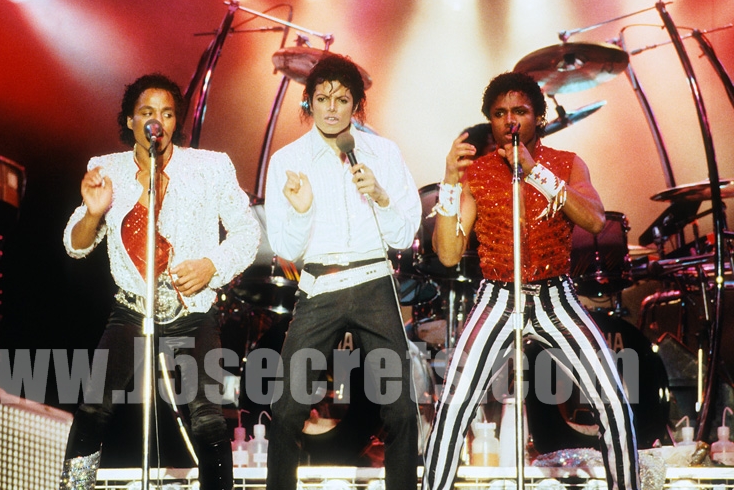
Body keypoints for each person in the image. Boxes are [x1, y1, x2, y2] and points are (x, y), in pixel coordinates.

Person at [422, 72, 639, 490]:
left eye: (519, 111)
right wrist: (449, 181)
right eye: (499, 113)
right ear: (490, 120)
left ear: (538, 117)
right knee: (452, 405)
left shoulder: (567, 163)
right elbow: (448, 253)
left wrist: (535, 171)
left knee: (612, 401)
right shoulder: (477, 174)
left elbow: (595, 219)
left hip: (556, 296)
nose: (510, 120)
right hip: (497, 297)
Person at [60, 73, 260, 490]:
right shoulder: (106, 169)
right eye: (147, 112)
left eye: (167, 114)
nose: (158, 122)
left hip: (192, 308)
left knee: (207, 417)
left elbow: (247, 231)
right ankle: (74, 487)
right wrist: (93, 213)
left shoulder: (210, 166)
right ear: (130, 120)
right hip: (132, 309)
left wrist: (211, 265)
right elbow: (75, 245)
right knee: (94, 408)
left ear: (175, 122)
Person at [263, 53, 422, 490]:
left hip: (373, 281)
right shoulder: (288, 160)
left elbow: (403, 235)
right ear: (309, 102)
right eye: (322, 98)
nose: (332, 108)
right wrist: (302, 211)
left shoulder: (383, 153)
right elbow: (286, 248)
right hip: (320, 286)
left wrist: (382, 198)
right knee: (287, 408)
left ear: (357, 105)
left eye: (342, 99)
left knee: (400, 410)